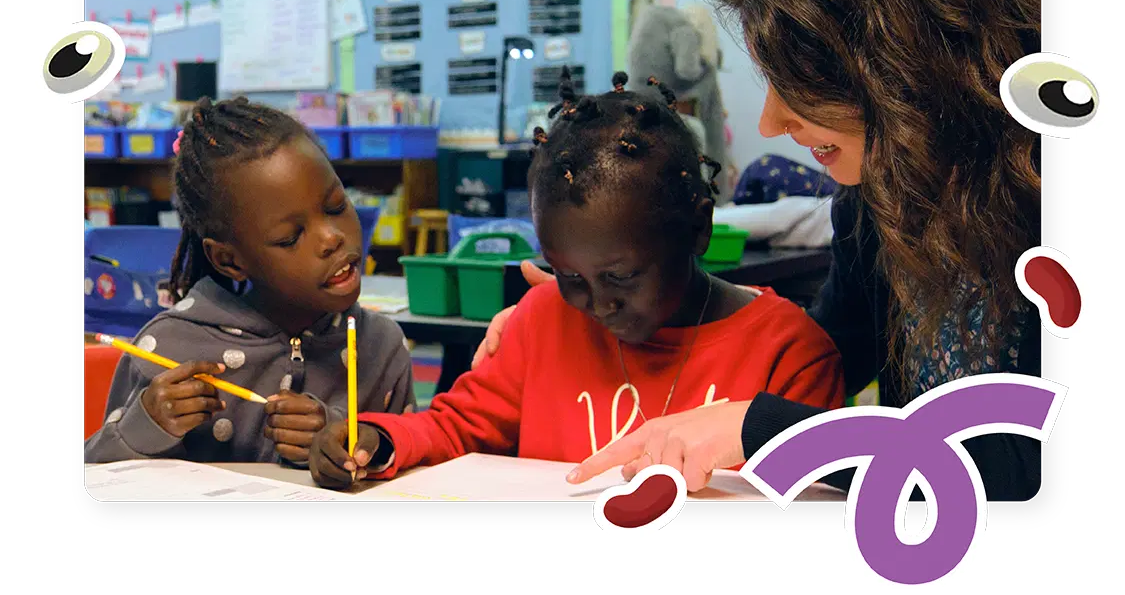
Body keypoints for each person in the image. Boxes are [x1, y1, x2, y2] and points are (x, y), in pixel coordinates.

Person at [473, 0, 1043, 501]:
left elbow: (1017, 469)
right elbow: (818, 353)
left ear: (909, 70)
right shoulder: (876, 206)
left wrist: (761, 428)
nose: (769, 121)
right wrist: (572, 321)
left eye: (795, 84)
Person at [307, 70, 844, 488]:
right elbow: (455, 427)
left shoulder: (789, 352)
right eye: (568, 276)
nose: (597, 303)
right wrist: (377, 440)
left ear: (698, 228)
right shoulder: (542, 320)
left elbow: (812, 506)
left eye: (621, 276)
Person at [84, 97, 415, 465]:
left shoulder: (381, 346)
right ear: (229, 260)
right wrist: (146, 425)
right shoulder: (167, 348)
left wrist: (348, 439)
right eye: (290, 237)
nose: (331, 238)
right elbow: (95, 480)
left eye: (336, 206)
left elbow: (412, 465)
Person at [628, 3, 735, 200]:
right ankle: (716, 201)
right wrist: (706, 68)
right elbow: (687, 69)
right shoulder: (685, 29)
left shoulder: (652, 18)